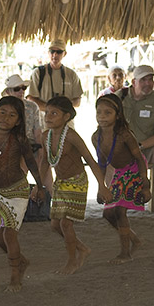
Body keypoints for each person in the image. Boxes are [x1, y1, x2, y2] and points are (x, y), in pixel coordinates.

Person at [38, 96, 112, 274]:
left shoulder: (71, 136)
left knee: (65, 224)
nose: (48, 116)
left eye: (54, 113)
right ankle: (82, 249)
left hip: (77, 181)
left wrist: (102, 186)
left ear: (66, 117)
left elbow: (90, 160)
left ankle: (72, 260)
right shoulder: (45, 136)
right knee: (55, 225)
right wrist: (38, 186)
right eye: (47, 112)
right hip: (61, 183)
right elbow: (44, 163)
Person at [0, 97, 45, 291]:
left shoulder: (19, 140)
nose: (5, 118)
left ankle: (15, 277)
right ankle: (21, 261)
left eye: (12, 115)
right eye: (2, 113)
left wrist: (40, 185)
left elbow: (31, 161)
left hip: (17, 190)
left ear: (18, 121)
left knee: (10, 235)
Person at [93, 94, 150, 263]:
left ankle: (125, 253)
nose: (102, 117)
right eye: (99, 113)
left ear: (117, 115)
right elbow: (102, 163)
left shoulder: (125, 135)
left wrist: (145, 184)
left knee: (119, 210)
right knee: (107, 214)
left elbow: (139, 158)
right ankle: (135, 239)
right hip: (119, 173)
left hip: (134, 170)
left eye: (107, 113)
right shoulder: (96, 137)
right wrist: (100, 187)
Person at [115, 65, 154, 165]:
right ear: (134, 82)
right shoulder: (119, 97)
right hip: (121, 149)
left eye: (151, 79)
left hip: (146, 148)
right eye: (143, 80)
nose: (148, 83)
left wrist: (139, 146)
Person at [27, 39, 83, 111]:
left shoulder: (71, 74)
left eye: (59, 52)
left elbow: (77, 101)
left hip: (66, 120)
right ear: (48, 53)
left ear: (64, 54)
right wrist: (51, 109)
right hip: (43, 119)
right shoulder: (38, 73)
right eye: (52, 51)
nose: (55, 55)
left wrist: (61, 109)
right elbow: (31, 99)